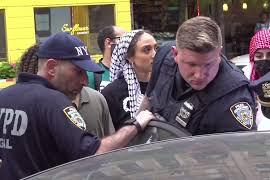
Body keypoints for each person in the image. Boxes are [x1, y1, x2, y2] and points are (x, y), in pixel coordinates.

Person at [0, 32, 154, 180]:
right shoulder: (53, 102)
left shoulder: (4, 97)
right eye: (78, 71)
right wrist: (136, 125)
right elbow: (94, 153)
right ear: (52, 67)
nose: (85, 81)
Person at [143, 16, 257, 135]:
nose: (199, 75)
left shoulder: (235, 96)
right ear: (175, 54)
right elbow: (148, 100)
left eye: (208, 64)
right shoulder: (163, 57)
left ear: (219, 54)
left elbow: (241, 150)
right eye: (191, 64)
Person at [17, 43, 115, 138]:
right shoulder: (25, 108)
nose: (85, 81)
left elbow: (110, 148)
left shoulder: (96, 100)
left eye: (84, 71)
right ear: (50, 69)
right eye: (78, 71)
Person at [101, 30, 157, 130]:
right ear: (129, 57)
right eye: (146, 50)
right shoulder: (111, 93)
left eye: (155, 48)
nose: (154, 54)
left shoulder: (163, 84)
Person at [87, 26, 126, 91]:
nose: (127, 43)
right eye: (123, 39)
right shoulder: (92, 74)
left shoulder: (130, 72)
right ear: (108, 43)